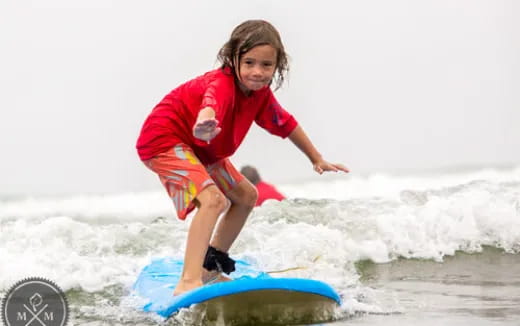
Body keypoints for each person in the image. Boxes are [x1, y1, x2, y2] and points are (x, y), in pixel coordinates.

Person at [136, 20, 349, 295]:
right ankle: (188, 281)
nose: (257, 72)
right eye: (249, 62)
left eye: (266, 65)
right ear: (232, 58)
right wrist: (205, 122)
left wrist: (316, 158)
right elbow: (210, 105)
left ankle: (209, 270)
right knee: (213, 200)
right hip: (164, 140)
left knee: (247, 196)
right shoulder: (222, 85)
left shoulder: (259, 95)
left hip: (202, 148)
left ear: (277, 66)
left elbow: (286, 123)